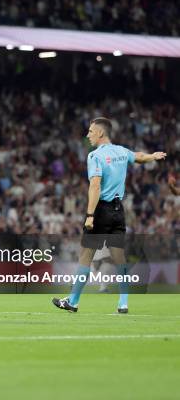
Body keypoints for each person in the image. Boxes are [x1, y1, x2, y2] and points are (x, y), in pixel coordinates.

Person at [53, 118, 166, 314]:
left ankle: (73, 301)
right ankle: (123, 304)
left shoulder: (95, 156)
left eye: (90, 131)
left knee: (85, 257)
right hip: (118, 211)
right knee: (119, 258)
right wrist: (153, 156)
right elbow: (138, 156)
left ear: (100, 133)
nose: (87, 135)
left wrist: (89, 215)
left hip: (101, 210)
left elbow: (95, 186)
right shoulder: (121, 151)